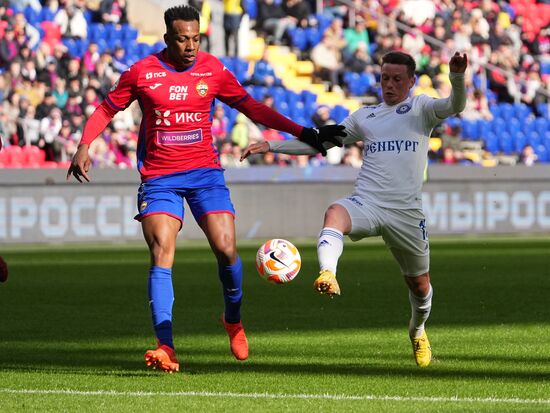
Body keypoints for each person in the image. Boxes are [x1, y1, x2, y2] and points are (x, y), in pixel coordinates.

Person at [66, 5, 344, 374]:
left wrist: (304, 132)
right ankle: (166, 346)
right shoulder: (142, 73)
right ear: (167, 39)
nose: (191, 46)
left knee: (226, 248)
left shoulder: (211, 70)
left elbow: (253, 108)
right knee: (162, 251)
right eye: (183, 39)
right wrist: (85, 144)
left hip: (204, 174)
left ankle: (233, 319)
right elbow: (105, 109)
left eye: (196, 38)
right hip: (159, 177)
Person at [242, 51, 468, 368]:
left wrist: (457, 77)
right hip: (368, 202)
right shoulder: (365, 117)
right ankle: (327, 273)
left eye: (397, 79)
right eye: (384, 78)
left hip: (406, 213)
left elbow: (455, 106)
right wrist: (272, 145)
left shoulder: (421, 109)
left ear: (411, 81)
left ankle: (417, 330)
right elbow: (321, 142)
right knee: (335, 212)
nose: (389, 85)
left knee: (420, 285)